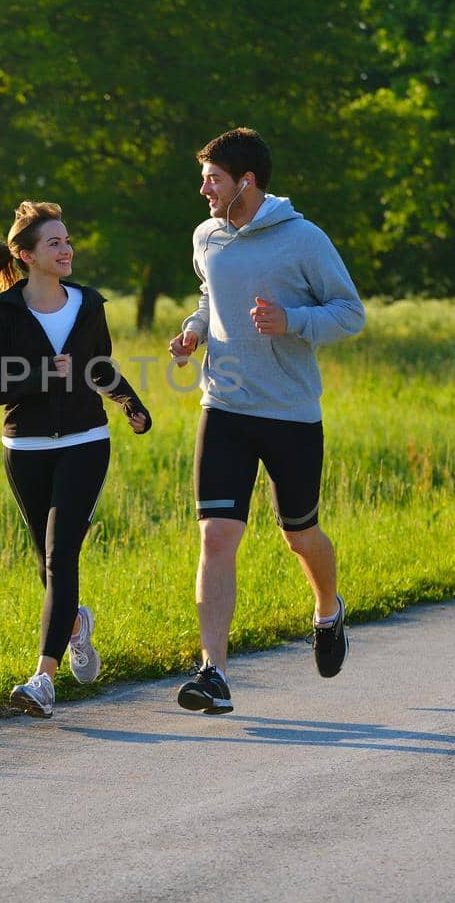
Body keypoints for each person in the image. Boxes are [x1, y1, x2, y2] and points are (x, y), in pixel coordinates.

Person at [167, 128, 365, 714]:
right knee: (216, 535)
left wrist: (293, 322)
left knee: (299, 535)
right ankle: (214, 673)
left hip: (289, 413)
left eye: (213, 179)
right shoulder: (208, 236)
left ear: (244, 183)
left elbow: (349, 314)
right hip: (224, 406)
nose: (204, 190)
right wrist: (194, 331)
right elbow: (209, 298)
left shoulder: (303, 239)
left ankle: (328, 609)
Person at [0, 201, 152, 719]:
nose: (66, 250)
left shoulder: (88, 304)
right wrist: (45, 374)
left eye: (67, 241)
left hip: (87, 440)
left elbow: (98, 366)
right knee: (47, 561)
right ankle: (74, 627)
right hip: (25, 449)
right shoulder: (3, 313)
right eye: (54, 244)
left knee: (61, 554)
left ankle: (43, 679)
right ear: (26, 255)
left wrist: (131, 403)